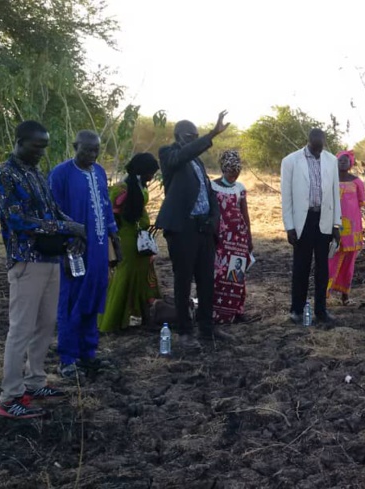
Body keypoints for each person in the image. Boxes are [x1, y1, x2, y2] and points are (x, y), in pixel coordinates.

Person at [0, 120, 86, 418]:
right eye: (36, 146)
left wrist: (72, 232)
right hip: (25, 260)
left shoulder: (35, 173)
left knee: (44, 325)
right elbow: (18, 220)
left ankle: (35, 382)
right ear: (19, 141)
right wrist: (65, 226)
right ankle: (9, 398)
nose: (41, 153)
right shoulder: (2, 175)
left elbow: (51, 210)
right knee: (21, 330)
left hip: (49, 258)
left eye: (44, 147)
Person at [49, 130, 121, 379]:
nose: (91, 154)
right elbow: (54, 212)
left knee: (93, 297)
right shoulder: (61, 173)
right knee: (72, 300)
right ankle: (67, 359)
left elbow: (106, 207)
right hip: (74, 249)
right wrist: (69, 240)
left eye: (96, 150)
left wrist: (114, 237)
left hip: (100, 247)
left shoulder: (99, 172)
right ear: (75, 146)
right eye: (86, 149)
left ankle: (88, 353)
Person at [156, 111, 231, 347]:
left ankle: (207, 329)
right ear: (178, 136)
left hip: (204, 229)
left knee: (207, 281)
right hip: (182, 229)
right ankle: (185, 332)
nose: (196, 140)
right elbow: (183, 155)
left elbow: (208, 194)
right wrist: (211, 135)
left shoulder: (197, 162)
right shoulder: (168, 154)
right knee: (183, 281)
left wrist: (213, 218)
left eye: (198, 136)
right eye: (191, 135)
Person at [281, 129, 342, 325]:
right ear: (309, 142)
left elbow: (334, 194)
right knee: (301, 267)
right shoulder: (290, 161)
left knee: (323, 269)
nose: (318, 150)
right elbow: (287, 197)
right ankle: (296, 310)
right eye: (315, 147)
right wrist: (289, 226)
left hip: (323, 219)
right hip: (302, 222)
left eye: (321, 146)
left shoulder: (331, 160)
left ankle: (321, 311)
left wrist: (336, 224)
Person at [99, 153, 162, 333]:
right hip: (127, 238)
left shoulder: (139, 185)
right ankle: (112, 322)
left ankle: (143, 318)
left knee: (142, 276)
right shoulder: (121, 188)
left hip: (140, 238)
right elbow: (113, 214)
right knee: (125, 276)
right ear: (143, 171)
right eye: (150, 173)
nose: (152, 177)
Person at [211, 150, 253, 323]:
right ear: (223, 169)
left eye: (237, 173)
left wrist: (249, 238)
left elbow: (245, 214)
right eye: (231, 173)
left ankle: (237, 311)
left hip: (238, 238)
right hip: (219, 238)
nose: (234, 176)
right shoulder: (212, 186)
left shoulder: (240, 188)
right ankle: (217, 313)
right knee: (218, 274)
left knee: (236, 275)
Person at [327, 150, 365, 305]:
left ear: (351, 163)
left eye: (346, 160)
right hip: (332, 225)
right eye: (340, 160)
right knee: (330, 258)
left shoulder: (357, 182)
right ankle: (325, 294)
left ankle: (345, 295)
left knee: (349, 262)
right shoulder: (329, 180)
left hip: (352, 228)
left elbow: (360, 204)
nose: (342, 162)